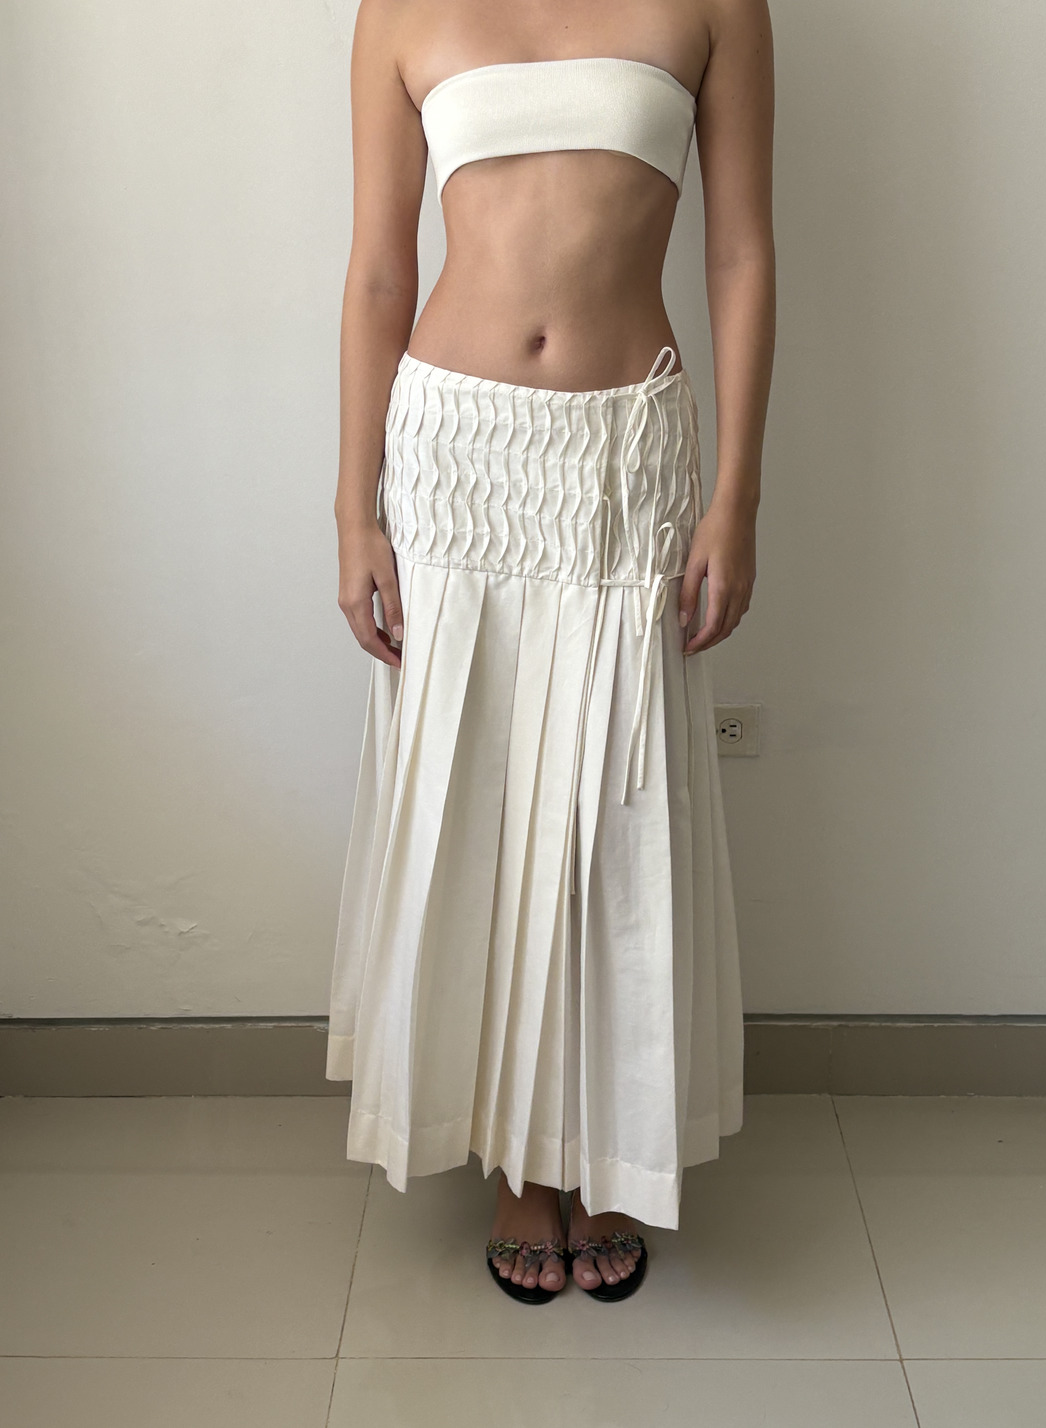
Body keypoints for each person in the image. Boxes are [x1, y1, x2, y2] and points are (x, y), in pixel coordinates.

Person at [326, 0, 775, 1304]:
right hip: (454, 458)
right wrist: (353, 508)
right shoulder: (401, 12)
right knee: (479, 804)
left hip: (626, 454)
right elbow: (378, 272)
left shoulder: (716, 6)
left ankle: (605, 1145)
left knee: (613, 810)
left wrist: (737, 497)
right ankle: (521, 1162)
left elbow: (741, 253)